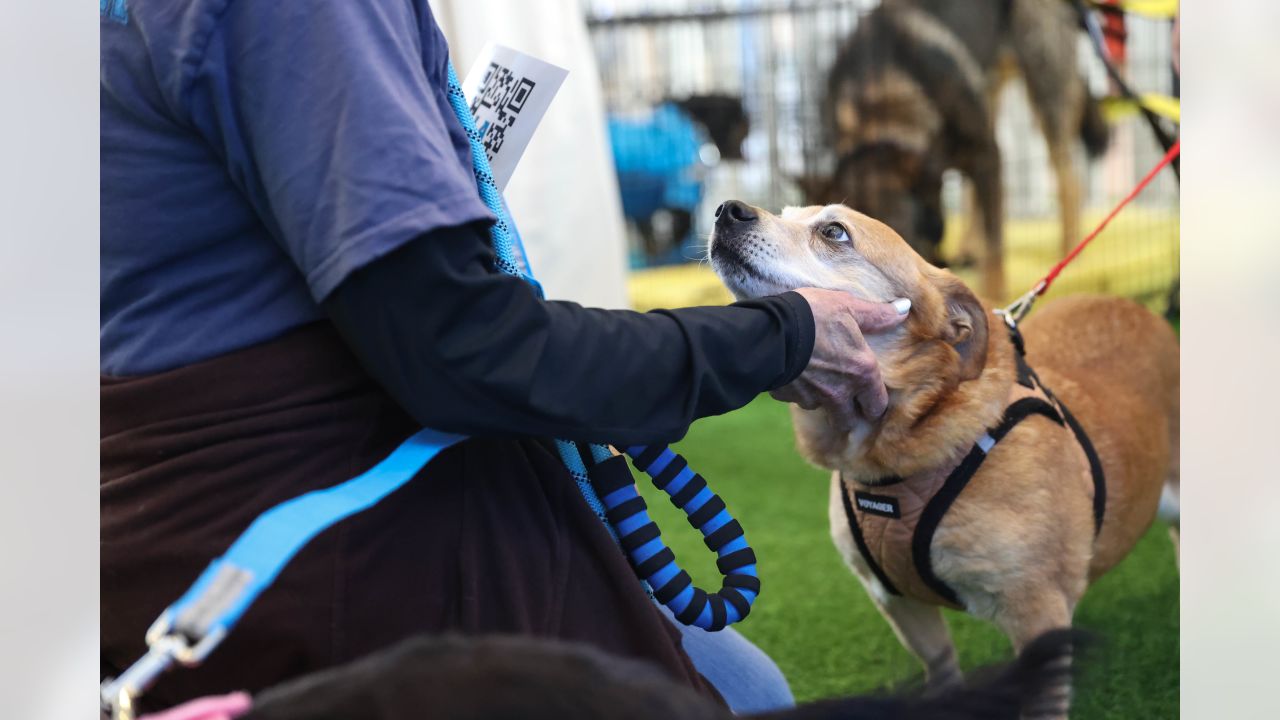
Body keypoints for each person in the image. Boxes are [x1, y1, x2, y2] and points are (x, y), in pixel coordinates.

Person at [99, 0, 908, 714]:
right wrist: (779, 337)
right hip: (300, 543)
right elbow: (468, 351)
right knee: (741, 692)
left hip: (156, 522)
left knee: (742, 679)